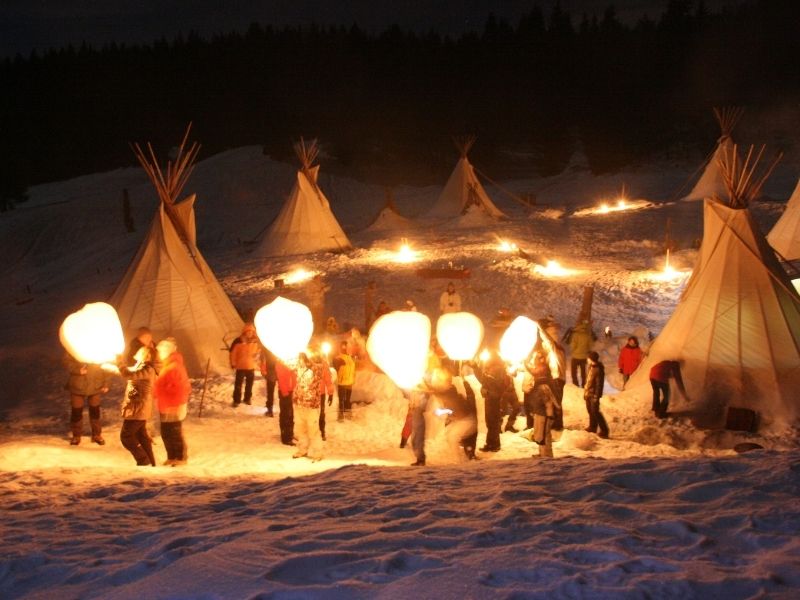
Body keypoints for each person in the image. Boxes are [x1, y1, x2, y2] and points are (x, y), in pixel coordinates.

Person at [118, 341, 160, 466]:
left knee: (126, 436)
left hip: (138, 409)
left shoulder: (147, 369)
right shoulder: (142, 366)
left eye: (141, 351)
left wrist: (120, 363)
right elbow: (128, 372)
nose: (138, 351)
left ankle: (143, 460)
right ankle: (151, 463)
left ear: (146, 356)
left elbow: (129, 374)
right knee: (142, 437)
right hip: (138, 408)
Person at [154, 337, 191, 465]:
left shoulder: (174, 367)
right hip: (166, 404)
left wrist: (179, 403)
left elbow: (180, 387)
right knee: (166, 432)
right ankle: (172, 456)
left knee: (174, 432)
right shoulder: (168, 365)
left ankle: (180, 457)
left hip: (173, 406)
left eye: (160, 352)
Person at [62, 352, 110, 445]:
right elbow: (66, 361)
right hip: (77, 384)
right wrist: (77, 370)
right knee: (76, 411)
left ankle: (97, 435)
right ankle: (76, 436)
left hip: (96, 385)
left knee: (95, 411)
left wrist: (106, 383)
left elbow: (107, 366)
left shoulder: (101, 347)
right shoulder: (75, 345)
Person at [525, 349, 561, 457]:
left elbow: (549, 403)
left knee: (545, 434)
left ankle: (547, 455)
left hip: (544, 414)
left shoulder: (544, 387)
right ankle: (542, 453)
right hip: (540, 413)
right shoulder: (539, 386)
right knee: (540, 434)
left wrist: (549, 415)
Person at [291, 352, 325, 461]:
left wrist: (308, 361)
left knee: (313, 430)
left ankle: (317, 453)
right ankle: (302, 449)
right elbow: (288, 363)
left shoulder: (316, 370)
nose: (300, 361)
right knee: (300, 429)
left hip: (311, 405)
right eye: (300, 359)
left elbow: (318, 368)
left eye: (302, 359)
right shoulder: (299, 368)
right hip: (299, 404)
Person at [476, 352, 511, 452]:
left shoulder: (497, 369)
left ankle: (494, 445)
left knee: (493, 423)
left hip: (494, 399)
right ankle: (491, 444)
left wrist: (487, 390)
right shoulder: (494, 368)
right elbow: (485, 381)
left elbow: (496, 385)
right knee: (490, 423)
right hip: (491, 398)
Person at [230, 323, 260, 407]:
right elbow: (233, 353)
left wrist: (257, 358)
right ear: (244, 332)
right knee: (238, 384)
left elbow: (259, 352)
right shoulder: (238, 341)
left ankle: (247, 398)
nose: (249, 333)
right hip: (240, 366)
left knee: (249, 384)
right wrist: (233, 363)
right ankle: (236, 400)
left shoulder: (256, 342)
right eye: (248, 332)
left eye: (251, 332)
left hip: (251, 366)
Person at [584, 351, 609, 438]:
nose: (587, 359)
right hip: (588, 393)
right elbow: (588, 380)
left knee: (595, 412)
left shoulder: (598, 369)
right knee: (590, 411)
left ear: (591, 359)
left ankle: (604, 430)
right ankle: (592, 427)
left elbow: (599, 384)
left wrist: (596, 396)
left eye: (588, 358)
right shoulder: (590, 367)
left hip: (593, 394)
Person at [332, 340, 356, 421]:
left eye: (346, 346)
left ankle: (348, 414)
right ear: (340, 347)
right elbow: (335, 367)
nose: (345, 347)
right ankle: (341, 416)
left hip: (349, 382)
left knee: (348, 399)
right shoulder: (338, 358)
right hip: (342, 382)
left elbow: (352, 369)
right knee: (341, 399)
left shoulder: (350, 357)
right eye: (343, 346)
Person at [275, 358, 296, 445]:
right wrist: (285, 392)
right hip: (285, 392)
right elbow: (281, 379)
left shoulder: (289, 362)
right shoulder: (280, 364)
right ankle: (286, 437)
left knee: (290, 414)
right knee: (286, 414)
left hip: (290, 390)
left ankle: (290, 433)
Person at [569, 319, 593, 387]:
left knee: (574, 372)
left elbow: (573, 345)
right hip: (584, 357)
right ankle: (583, 384)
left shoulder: (575, 335)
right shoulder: (587, 335)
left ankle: (575, 384)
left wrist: (573, 350)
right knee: (583, 372)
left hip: (575, 356)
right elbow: (590, 345)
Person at [259, 346, 278, 417]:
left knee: (270, 391)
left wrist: (263, 370)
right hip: (278, 371)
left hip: (271, 371)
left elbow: (262, 359)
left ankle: (270, 410)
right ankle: (283, 410)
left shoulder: (266, 346)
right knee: (282, 391)